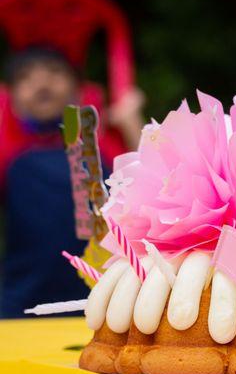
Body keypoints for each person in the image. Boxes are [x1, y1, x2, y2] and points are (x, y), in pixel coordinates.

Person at [0, 47, 144, 317]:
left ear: (80, 91)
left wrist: (131, 121)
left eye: (54, 74)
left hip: (104, 295)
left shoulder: (104, 144)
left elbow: (153, 185)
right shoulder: (8, 151)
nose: (41, 83)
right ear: (12, 99)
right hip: (20, 299)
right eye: (25, 78)